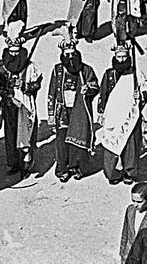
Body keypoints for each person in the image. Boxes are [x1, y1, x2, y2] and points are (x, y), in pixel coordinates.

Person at [97, 43, 147, 185]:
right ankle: (113, 173)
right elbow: (103, 94)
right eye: (119, 57)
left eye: (124, 57)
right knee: (111, 144)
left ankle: (129, 172)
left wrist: (139, 95)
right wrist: (100, 112)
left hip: (130, 116)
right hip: (112, 117)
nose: (121, 60)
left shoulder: (136, 74)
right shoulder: (109, 74)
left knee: (130, 146)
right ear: (114, 57)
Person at [47, 36, 99, 182]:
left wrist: (88, 88)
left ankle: (77, 167)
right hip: (62, 111)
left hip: (79, 110)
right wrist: (51, 114)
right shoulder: (57, 70)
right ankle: (63, 169)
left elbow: (95, 86)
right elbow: (51, 92)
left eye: (73, 54)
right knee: (62, 141)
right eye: (67, 55)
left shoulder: (86, 69)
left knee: (78, 138)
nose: (70, 57)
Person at [0, 24, 42, 177]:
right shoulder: (3, 67)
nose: (14, 54)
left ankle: (26, 165)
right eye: (12, 52)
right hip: (10, 103)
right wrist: (7, 95)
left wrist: (27, 87)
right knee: (10, 134)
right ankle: (13, 163)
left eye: (17, 51)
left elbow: (37, 83)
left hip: (25, 104)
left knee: (25, 133)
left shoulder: (29, 66)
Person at [120, 182, 147, 263]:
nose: (135, 205)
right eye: (133, 201)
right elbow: (125, 232)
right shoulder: (130, 210)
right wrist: (122, 253)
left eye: (139, 202)